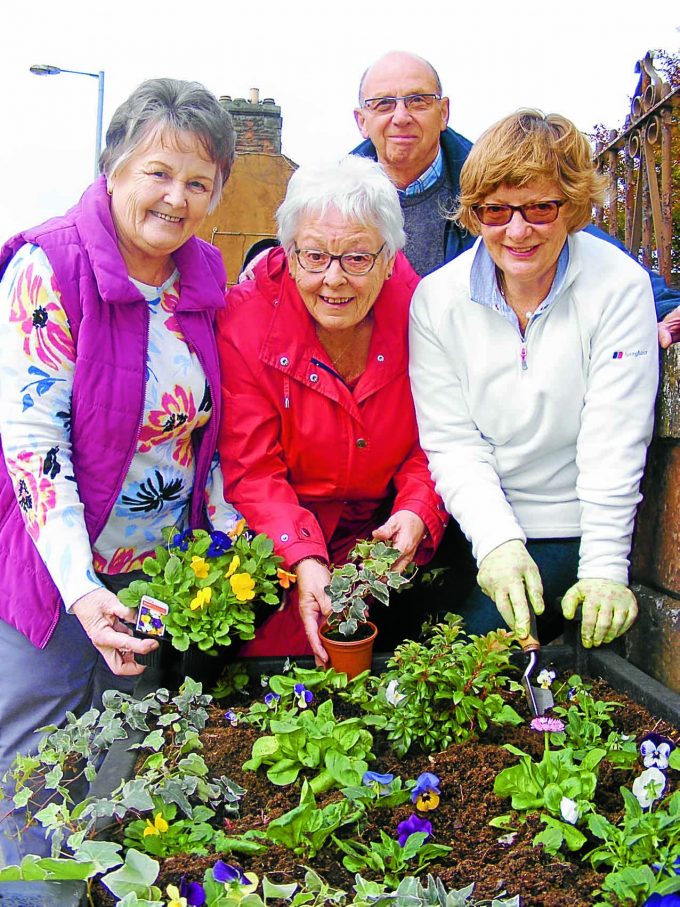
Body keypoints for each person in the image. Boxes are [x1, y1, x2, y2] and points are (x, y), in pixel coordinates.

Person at [0, 78, 239, 862]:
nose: (177, 198)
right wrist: (81, 586)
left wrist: (225, 537)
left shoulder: (202, 277)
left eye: (199, 182)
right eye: (159, 173)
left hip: (155, 580)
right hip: (59, 574)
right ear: (114, 167)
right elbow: (34, 443)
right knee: (37, 776)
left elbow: (208, 430)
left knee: (123, 774)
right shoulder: (49, 267)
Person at [409, 109, 659, 650]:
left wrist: (604, 570)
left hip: (571, 525)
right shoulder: (436, 300)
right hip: (476, 524)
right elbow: (452, 442)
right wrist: (497, 542)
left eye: (541, 208)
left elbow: (614, 439)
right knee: (419, 651)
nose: (517, 231)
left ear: (572, 208)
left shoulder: (619, 287)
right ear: (473, 214)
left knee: (497, 661)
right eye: (495, 210)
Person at [217, 155, 447, 663]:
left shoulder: (424, 311)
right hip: (279, 529)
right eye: (314, 256)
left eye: (358, 257)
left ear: (389, 258)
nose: (333, 279)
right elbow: (254, 470)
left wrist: (416, 509)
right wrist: (301, 556)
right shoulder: (247, 322)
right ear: (289, 253)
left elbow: (440, 435)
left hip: (385, 536)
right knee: (283, 668)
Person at [352, 50, 680, 346]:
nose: (401, 116)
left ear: (444, 111)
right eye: (383, 104)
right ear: (361, 121)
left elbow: (575, 238)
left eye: (418, 100)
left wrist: (662, 305)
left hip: (467, 364)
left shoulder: (489, 183)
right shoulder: (337, 199)